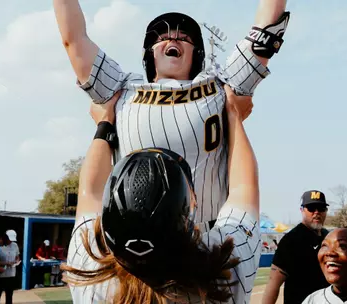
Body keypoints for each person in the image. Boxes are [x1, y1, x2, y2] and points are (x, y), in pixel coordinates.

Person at [53, 0, 290, 232]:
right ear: (149, 54)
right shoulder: (122, 88)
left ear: (195, 53)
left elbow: (264, 33)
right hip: (132, 236)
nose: (173, 38)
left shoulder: (221, 88)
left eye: (184, 37)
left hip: (206, 236)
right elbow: (73, 40)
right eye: (162, 37)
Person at [61, 85, 260, 303]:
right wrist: (233, 115)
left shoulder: (91, 275)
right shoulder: (223, 276)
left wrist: (104, 123)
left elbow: (90, 193)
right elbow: (243, 189)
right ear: (187, 214)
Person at [262, 190, 331, 304]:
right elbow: (273, 283)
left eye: (321, 208)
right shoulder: (291, 240)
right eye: (311, 208)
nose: (316, 212)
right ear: (302, 210)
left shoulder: (329, 237)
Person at [0, 230, 20, 304]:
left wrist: (16, 261)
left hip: (11, 274)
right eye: (9, 239)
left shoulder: (15, 245)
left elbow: (17, 256)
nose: (10, 241)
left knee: (9, 295)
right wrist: (6, 263)